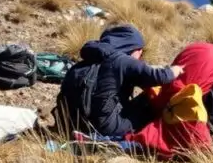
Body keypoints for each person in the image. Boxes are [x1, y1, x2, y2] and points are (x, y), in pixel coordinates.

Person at [54, 24, 183, 138]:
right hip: (103, 127)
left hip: (69, 122)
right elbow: (159, 77)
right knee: (147, 105)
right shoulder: (122, 60)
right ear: (133, 47)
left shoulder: (89, 59)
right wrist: (175, 70)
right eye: (140, 52)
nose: (140, 56)